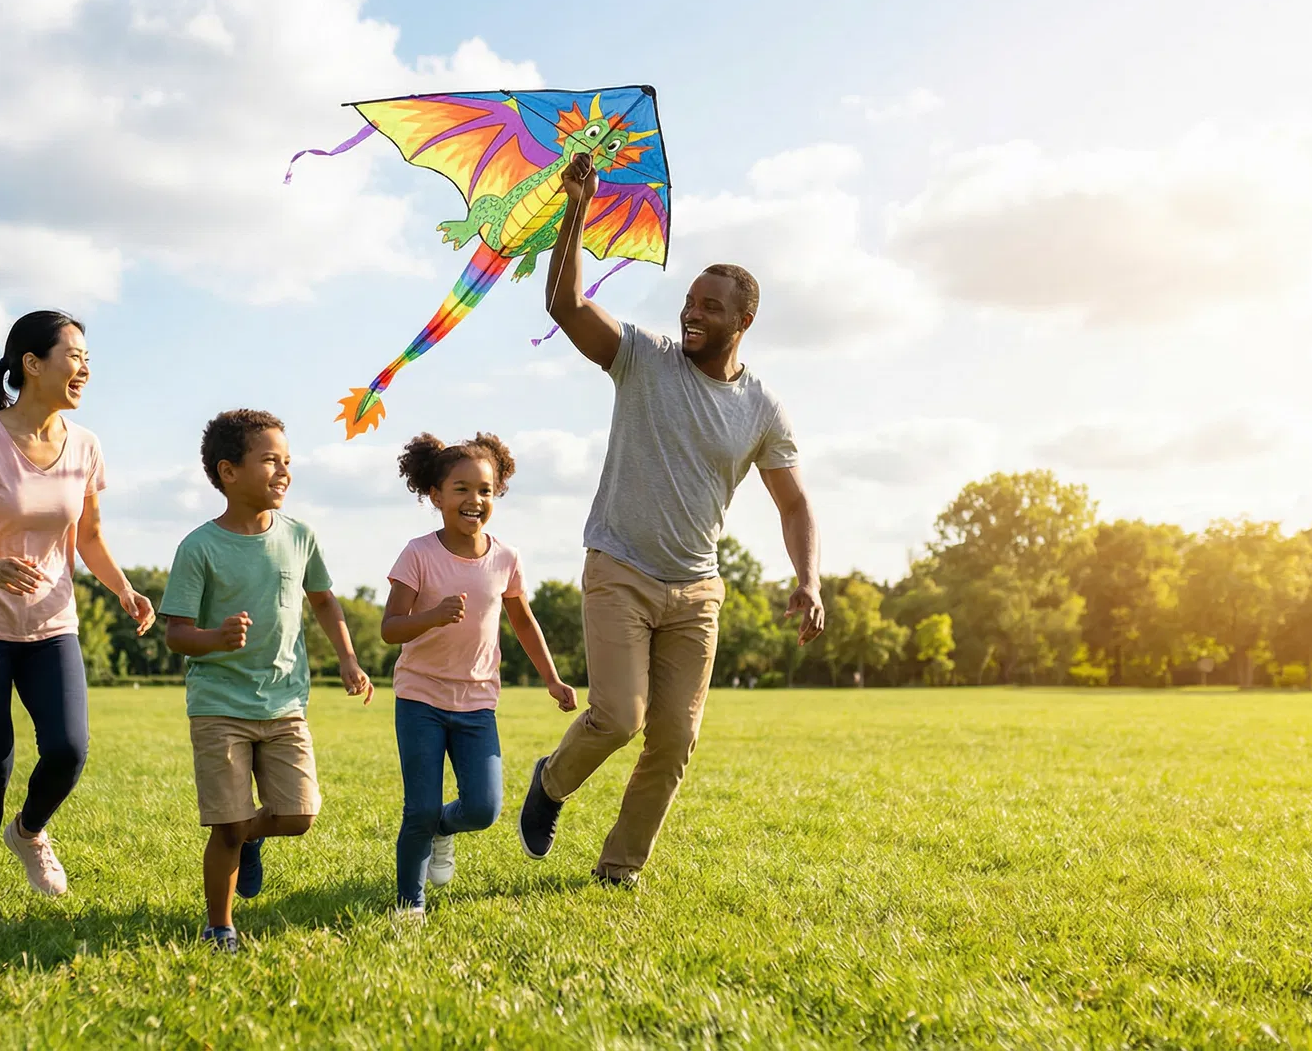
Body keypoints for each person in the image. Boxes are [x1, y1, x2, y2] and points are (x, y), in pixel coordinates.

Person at [516, 153, 827, 887]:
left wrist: (809, 579)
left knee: (675, 739)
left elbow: (795, 502)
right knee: (619, 718)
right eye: (689, 301)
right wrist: (575, 209)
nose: (693, 313)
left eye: (710, 307)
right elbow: (564, 307)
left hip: (696, 591)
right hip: (620, 568)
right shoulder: (644, 358)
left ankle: (618, 870)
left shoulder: (762, 409)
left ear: (744, 321)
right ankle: (552, 782)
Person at [0, 310, 154, 905]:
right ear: (32, 363)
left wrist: (123, 588)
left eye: (88, 359)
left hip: (52, 624)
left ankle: (28, 832)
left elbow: (90, 538)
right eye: (74, 356)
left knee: (69, 749)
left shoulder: (87, 446)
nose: (85, 369)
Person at [160, 409, 375, 952]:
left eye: (288, 461)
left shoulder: (300, 536)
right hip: (218, 704)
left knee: (299, 816)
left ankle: (245, 835)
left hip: (285, 703)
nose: (283, 472)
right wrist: (215, 639)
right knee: (225, 828)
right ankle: (220, 926)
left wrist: (348, 658)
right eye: (270, 461)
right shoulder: (199, 547)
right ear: (228, 472)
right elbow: (176, 635)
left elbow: (324, 600)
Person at [380, 432, 577, 922]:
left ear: (498, 495)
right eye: (462, 489)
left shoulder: (505, 558)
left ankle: (445, 829)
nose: (475, 500)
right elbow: (389, 628)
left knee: (484, 809)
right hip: (420, 697)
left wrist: (552, 679)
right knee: (418, 809)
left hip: (477, 703)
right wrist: (432, 616)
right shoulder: (418, 554)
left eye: (485, 490)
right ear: (436, 496)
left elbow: (523, 621)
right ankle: (410, 905)